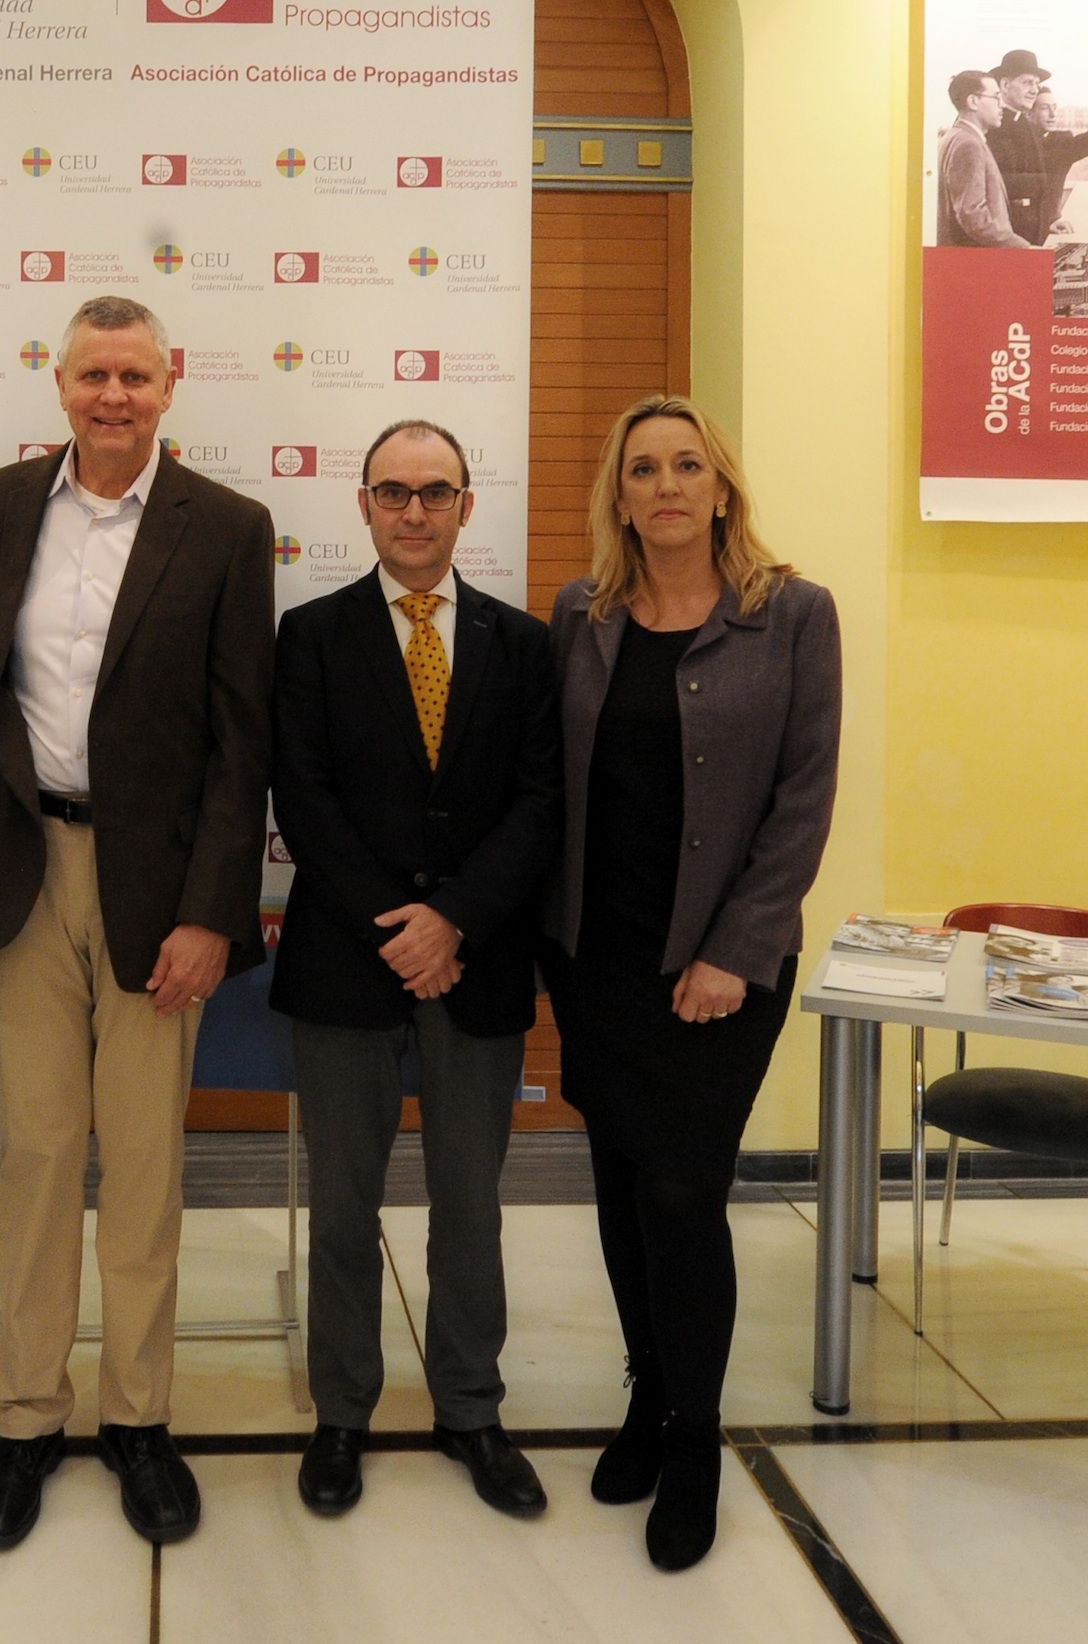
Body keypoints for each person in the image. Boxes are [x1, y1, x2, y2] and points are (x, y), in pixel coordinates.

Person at [0, 294, 273, 1551]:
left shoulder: (227, 526)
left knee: (140, 1161)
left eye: (134, 375)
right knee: (36, 1154)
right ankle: (24, 1416)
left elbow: (242, 741)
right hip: (26, 875)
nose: (113, 397)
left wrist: (210, 914)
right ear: (57, 380)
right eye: (92, 374)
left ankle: (139, 1417)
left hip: (157, 892)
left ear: (171, 381)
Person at [539, 395, 840, 1572]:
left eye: (686, 465)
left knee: (679, 1193)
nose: (664, 485)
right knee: (616, 1184)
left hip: (718, 967)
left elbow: (802, 799)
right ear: (618, 496)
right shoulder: (581, 613)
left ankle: (694, 1434)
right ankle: (642, 1394)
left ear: (721, 489)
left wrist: (733, 950)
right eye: (641, 469)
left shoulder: (791, 615)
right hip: (594, 957)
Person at [269, 418, 561, 1519]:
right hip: (346, 963)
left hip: (475, 964)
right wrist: (399, 927)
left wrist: (452, 923)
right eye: (392, 491)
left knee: (468, 1205)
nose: (413, 511)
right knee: (342, 1207)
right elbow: (301, 798)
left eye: (434, 492)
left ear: (464, 507)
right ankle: (339, 1411)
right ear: (361, 504)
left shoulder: (520, 645)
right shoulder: (308, 636)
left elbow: (539, 804)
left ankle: (470, 1408)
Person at [983, 53, 1088, 244]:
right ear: (1005, 85)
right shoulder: (989, 123)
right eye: (1027, 83)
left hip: (1028, 232)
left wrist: (1048, 220)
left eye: (1036, 84)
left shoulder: (1024, 125)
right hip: (1004, 235)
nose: (1033, 90)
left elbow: (1080, 144)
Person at [936, 70, 1029, 249]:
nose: (1001, 105)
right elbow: (972, 216)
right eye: (995, 97)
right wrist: (1023, 248)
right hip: (975, 261)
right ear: (973, 101)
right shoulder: (969, 144)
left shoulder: (955, 137)